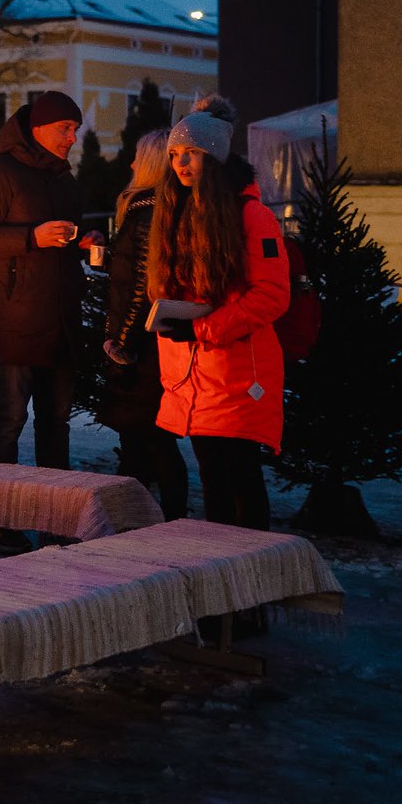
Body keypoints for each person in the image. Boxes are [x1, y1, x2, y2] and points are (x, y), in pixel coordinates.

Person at [0, 89, 101, 553]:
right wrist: (31, 237)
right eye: (65, 128)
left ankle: (56, 518)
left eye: (75, 130)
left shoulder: (65, 180)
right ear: (37, 129)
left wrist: (80, 242)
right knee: (11, 417)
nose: (72, 138)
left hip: (61, 318)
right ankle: (1, 519)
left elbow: (57, 243)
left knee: (56, 423)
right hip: (16, 316)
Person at [148, 110, 290, 531]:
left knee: (240, 479)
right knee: (213, 482)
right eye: (174, 153)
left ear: (215, 156)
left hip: (236, 374)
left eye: (192, 152)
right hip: (190, 372)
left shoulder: (252, 216)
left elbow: (272, 295)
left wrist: (201, 328)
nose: (180, 162)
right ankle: (221, 566)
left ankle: (251, 567)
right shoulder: (176, 211)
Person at [98, 129, 189, 521]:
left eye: (138, 157)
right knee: (144, 439)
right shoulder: (156, 210)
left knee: (151, 438)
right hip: (150, 342)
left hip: (142, 348)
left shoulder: (148, 212)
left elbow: (142, 285)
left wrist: (121, 342)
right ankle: (144, 518)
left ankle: (161, 519)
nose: (131, 163)